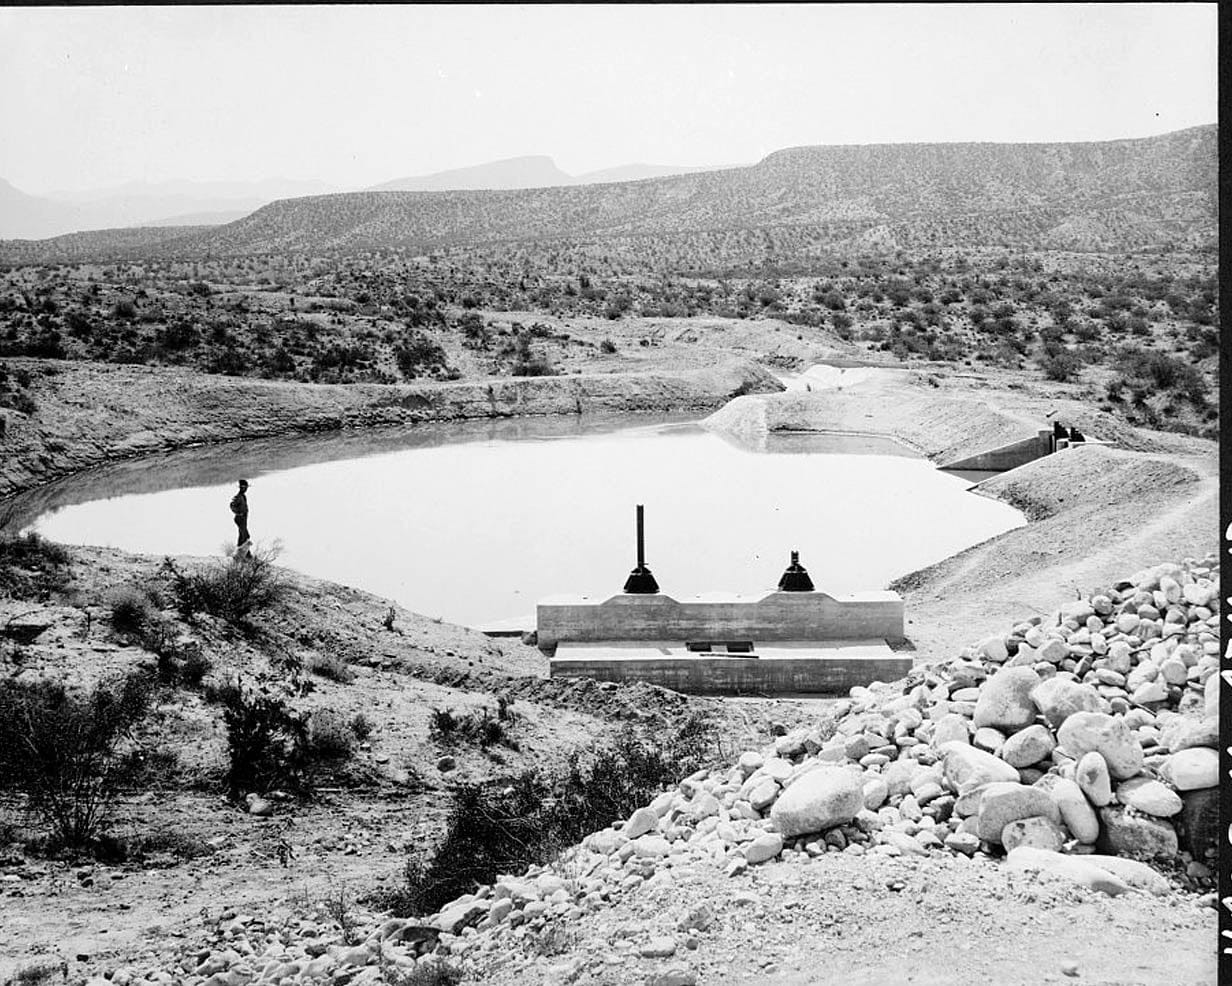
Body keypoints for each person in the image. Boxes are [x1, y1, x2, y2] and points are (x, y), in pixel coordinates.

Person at [230, 479, 250, 548]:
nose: (246, 489)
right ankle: (246, 555)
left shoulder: (243, 496)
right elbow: (232, 505)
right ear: (242, 488)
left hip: (243, 519)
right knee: (245, 536)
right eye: (245, 488)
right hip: (240, 518)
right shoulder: (238, 497)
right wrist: (239, 513)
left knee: (242, 536)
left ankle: (241, 553)